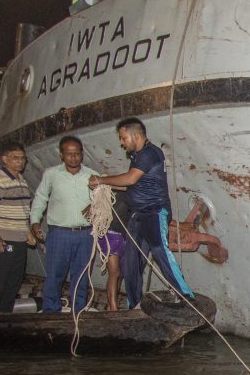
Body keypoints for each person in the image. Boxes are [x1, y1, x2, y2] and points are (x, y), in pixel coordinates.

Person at [88, 118, 194, 306]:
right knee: (131, 262)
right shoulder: (137, 157)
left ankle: (185, 296)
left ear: (135, 136)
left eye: (123, 138)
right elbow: (132, 186)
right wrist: (106, 185)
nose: (121, 143)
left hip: (153, 212)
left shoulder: (150, 153)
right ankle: (133, 303)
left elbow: (130, 179)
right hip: (138, 214)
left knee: (160, 250)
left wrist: (101, 180)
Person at [29, 136, 99, 314]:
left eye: (77, 153)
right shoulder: (51, 174)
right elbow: (40, 199)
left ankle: (78, 312)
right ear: (61, 155)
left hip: (86, 234)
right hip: (59, 233)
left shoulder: (92, 175)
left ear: (82, 154)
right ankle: (51, 312)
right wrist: (35, 222)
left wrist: (95, 206)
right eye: (69, 154)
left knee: (81, 276)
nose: (73, 157)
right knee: (54, 275)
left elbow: (104, 200)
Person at [0, 143, 35, 312]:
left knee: (14, 282)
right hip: (4, 239)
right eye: (15, 158)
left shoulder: (21, 180)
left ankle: (5, 317)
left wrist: (28, 232)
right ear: (4, 159)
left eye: (23, 158)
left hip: (19, 240)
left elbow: (22, 210)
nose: (20, 162)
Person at [97, 191, 130, 311]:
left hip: (126, 235)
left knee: (121, 273)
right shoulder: (113, 192)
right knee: (114, 272)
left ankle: (112, 304)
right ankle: (113, 308)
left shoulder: (135, 193)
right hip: (110, 234)